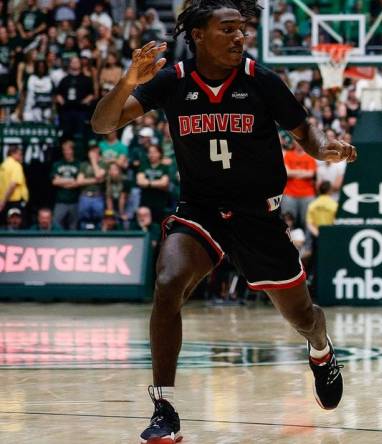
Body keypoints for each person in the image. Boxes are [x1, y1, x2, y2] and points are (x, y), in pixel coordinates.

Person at [90, 0, 356, 441]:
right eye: (228, 29)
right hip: (201, 210)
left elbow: (307, 135)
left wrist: (327, 148)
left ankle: (321, 350)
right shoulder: (172, 82)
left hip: (259, 215)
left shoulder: (261, 80)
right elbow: (103, 124)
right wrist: (126, 82)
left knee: (304, 316)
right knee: (168, 282)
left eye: (242, 29)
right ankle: (165, 407)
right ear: (197, 35)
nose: (240, 37)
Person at [50, 140, 81, 230]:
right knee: (56, 224)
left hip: (74, 201)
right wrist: (71, 180)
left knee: (73, 227)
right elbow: (54, 182)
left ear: (73, 151)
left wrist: (61, 181)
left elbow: (78, 182)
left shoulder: (78, 164)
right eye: (64, 150)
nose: (66, 152)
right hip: (61, 201)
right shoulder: (57, 164)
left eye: (68, 150)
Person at [0, 145, 29, 223]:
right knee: (19, 225)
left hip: (4, 201)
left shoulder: (3, 165)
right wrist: (3, 202)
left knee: (6, 224)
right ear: (13, 154)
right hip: (15, 201)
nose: (21, 156)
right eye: (20, 154)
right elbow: (13, 184)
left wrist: (2, 201)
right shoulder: (16, 165)